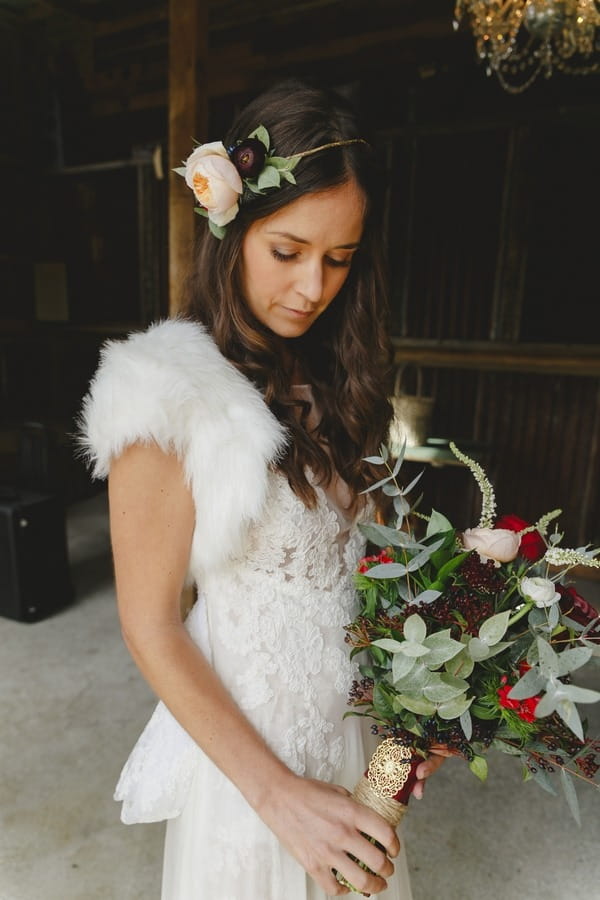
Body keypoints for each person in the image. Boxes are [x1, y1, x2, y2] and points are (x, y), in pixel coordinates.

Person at [79, 78, 444, 900]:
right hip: (250, 768)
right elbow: (150, 627)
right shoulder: (165, 393)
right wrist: (279, 797)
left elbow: (367, 578)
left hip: (351, 739)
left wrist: (417, 709)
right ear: (231, 228)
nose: (313, 288)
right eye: (288, 251)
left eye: (339, 260)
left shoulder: (336, 379)